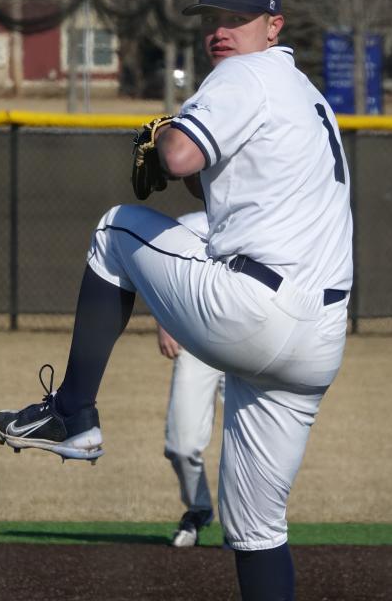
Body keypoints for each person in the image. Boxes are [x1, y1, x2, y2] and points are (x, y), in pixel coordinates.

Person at [0, 0, 352, 599]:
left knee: (113, 232)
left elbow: (182, 154)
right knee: (258, 531)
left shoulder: (244, 74)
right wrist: (184, 160)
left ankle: (72, 414)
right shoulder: (307, 95)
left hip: (257, 309)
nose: (220, 31)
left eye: (236, 19)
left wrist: (166, 138)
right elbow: (216, 183)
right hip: (318, 340)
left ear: (274, 26)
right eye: (211, 18)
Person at [158, 212, 227, 549]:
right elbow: (161, 270)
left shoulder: (270, 217)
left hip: (255, 343)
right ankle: (198, 509)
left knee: (247, 444)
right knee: (180, 445)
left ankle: (247, 524)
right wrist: (165, 319)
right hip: (198, 338)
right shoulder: (193, 223)